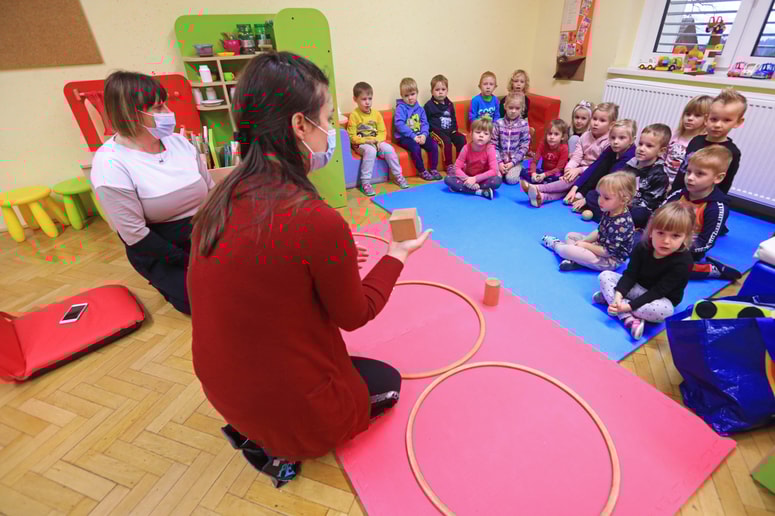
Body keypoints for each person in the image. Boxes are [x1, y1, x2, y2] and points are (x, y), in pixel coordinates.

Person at [187, 52, 432, 488]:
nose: (331, 129)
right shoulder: (313, 218)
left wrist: (327, 263)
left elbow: (268, 275)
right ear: (300, 126)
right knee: (386, 381)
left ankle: (268, 430)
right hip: (285, 407)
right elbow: (355, 315)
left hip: (223, 390)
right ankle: (289, 440)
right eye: (325, 118)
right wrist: (397, 254)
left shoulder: (220, 197)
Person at [90, 71, 215, 315]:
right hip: (160, 247)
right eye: (158, 108)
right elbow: (134, 234)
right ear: (131, 114)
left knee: (250, 279)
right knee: (205, 301)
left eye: (165, 104)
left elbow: (211, 191)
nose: (168, 111)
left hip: (203, 232)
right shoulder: (110, 163)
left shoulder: (180, 143)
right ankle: (166, 282)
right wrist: (188, 262)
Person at [594, 202, 695, 339]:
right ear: (651, 232)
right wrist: (618, 296)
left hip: (660, 299)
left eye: (675, 236)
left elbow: (658, 291)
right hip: (637, 288)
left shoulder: (684, 262)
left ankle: (613, 302)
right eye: (660, 233)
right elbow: (630, 275)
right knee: (605, 276)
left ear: (685, 238)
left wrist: (628, 306)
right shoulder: (642, 247)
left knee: (666, 312)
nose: (666, 241)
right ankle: (628, 318)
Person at [662, 145, 742, 281]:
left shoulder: (716, 208)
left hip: (688, 250)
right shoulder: (678, 194)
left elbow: (706, 243)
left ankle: (712, 269)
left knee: (671, 270)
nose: (690, 178)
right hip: (664, 239)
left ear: (718, 178)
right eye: (688, 172)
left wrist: (678, 248)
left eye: (699, 174)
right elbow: (657, 216)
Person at [523, 102, 617, 207]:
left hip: (592, 175)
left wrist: (578, 170)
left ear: (611, 125)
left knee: (569, 181)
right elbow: (576, 157)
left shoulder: (609, 142)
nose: (596, 123)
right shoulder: (585, 136)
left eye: (602, 120)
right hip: (577, 170)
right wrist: (568, 169)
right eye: (594, 119)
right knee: (567, 184)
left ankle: (538, 188)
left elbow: (599, 167)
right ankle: (543, 197)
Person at [541, 171, 636, 271]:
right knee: (571, 236)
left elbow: (606, 252)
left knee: (567, 249)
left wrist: (585, 245)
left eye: (606, 198)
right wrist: (584, 241)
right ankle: (574, 260)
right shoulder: (611, 210)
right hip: (599, 245)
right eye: (600, 195)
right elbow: (599, 231)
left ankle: (557, 245)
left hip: (609, 260)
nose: (600, 200)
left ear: (624, 200)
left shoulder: (621, 224)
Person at [671, 88, 746, 195]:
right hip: (680, 193)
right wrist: (673, 191)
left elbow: (725, 184)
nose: (718, 125)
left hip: (703, 201)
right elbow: (683, 170)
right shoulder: (696, 140)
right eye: (714, 119)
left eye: (726, 120)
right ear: (706, 119)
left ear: (738, 122)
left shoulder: (732, 152)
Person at [347, 81, 408, 196]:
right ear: (355, 99)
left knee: (389, 149)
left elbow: (382, 132)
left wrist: (378, 141)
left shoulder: (376, 114)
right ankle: (365, 183)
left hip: (376, 142)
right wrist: (366, 141)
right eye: (363, 99)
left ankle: (398, 176)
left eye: (370, 99)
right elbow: (352, 137)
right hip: (361, 144)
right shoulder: (354, 115)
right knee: (370, 151)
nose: (367, 102)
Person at [569, 119, 637, 216]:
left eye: (621, 138)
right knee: (599, 167)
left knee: (592, 196)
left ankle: (599, 211)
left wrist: (586, 199)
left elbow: (612, 182)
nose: (616, 142)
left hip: (617, 192)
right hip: (606, 186)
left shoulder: (630, 156)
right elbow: (595, 166)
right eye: (613, 138)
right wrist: (575, 187)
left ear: (632, 140)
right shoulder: (611, 148)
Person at [395, 77, 440, 181]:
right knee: (415, 148)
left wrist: (424, 134)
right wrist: (413, 136)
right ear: (402, 96)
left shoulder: (420, 109)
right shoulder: (400, 108)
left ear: (417, 93)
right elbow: (399, 124)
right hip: (405, 137)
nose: (410, 98)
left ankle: (433, 169)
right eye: (406, 96)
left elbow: (425, 123)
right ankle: (422, 171)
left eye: (412, 94)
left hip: (420, 135)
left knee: (433, 145)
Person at [443, 118, 502, 200]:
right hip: (467, 177)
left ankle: (462, 189)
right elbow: (456, 167)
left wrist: (475, 179)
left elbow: (494, 170)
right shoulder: (466, 148)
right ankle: (480, 192)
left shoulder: (490, 149)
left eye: (485, 134)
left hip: (483, 179)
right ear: (471, 134)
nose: (481, 135)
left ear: (489, 138)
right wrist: (468, 180)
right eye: (478, 132)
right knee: (448, 179)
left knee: (497, 181)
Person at [665, 95, 712, 186]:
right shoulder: (675, 135)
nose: (690, 118)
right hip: (662, 179)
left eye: (697, 115)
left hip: (681, 184)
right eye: (688, 114)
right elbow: (664, 155)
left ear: (707, 119)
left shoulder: (701, 144)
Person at [425, 74, 466, 175]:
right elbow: (425, 121)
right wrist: (428, 131)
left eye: (443, 89)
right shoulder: (429, 105)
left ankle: (461, 163)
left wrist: (455, 130)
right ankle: (449, 165)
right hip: (436, 131)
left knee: (461, 138)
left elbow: (453, 118)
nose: (440, 92)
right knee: (446, 141)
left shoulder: (450, 104)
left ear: (447, 90)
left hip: (450, 130)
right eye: (437, 89)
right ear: (432, 92)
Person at [492, 93, 531, 185]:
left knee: (511, 180)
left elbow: (524, 147)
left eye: (517, 108)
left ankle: (520, 169)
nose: (513, 111)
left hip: (515, 161)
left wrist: (513, 163)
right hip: (499, 160)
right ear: (505, 106)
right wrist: (499, 162)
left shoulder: (524, 124)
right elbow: (493, 145)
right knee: (496, 178)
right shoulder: (498, 123)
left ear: (522, 109)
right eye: (510, 107)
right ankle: (502, 170)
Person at [523, 119, 569, 185]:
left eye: (556, 134)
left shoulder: (564, 148)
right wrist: (533, 173)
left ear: (562, 137)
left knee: (559, 180)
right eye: (550, 133)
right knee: (523, 171)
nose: (552, 137)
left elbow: (559, 168)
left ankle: (540, 184)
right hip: (543, 170)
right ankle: (539, 182)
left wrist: (544, 175)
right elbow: (534, 161)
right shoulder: (543, 144)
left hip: (556, 173)